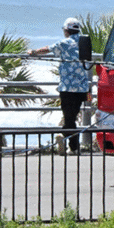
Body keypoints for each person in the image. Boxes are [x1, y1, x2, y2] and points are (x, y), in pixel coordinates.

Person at [28, 17, 90, 154]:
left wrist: (33, 52)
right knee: (72, 116)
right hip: (81, 87)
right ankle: (70, 144)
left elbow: (47, 49)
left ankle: (69, 142)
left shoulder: (64, 43)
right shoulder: (85, 42)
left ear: (67, 30)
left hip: (67, 87)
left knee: (69, 117)